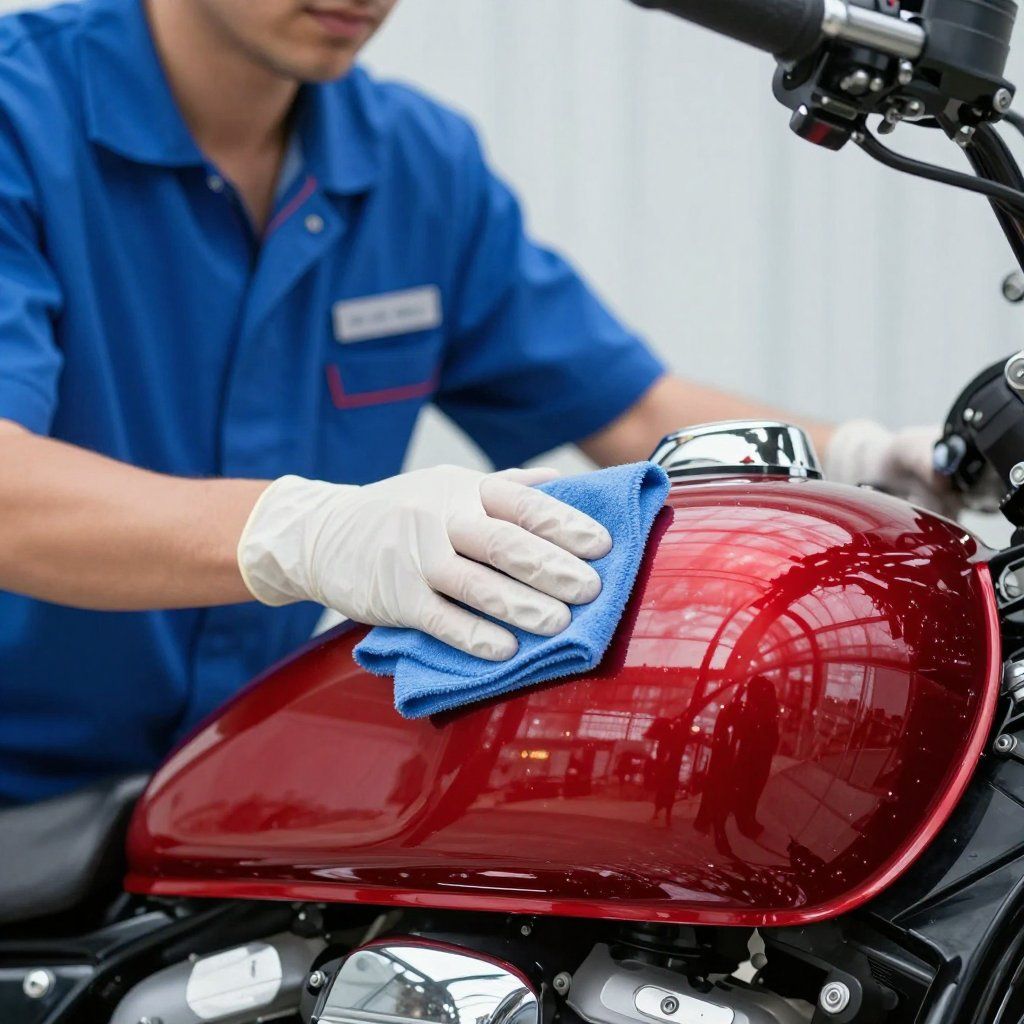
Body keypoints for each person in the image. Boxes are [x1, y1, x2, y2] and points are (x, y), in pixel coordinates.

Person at [0, 0, 943, 804]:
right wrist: (306, 532)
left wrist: (870, 466)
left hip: (225, 788)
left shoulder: (414, 163)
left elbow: (624, 405)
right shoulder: (19, 115)